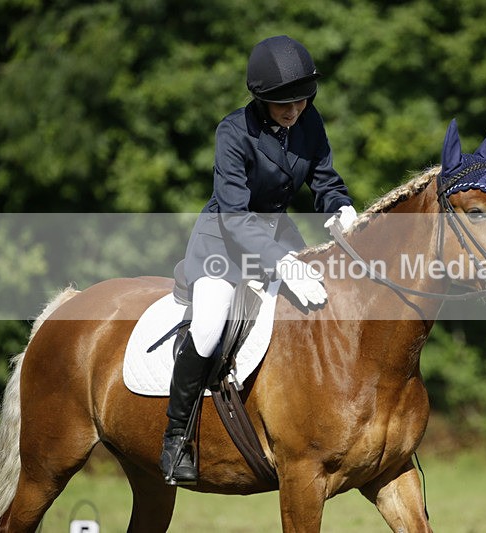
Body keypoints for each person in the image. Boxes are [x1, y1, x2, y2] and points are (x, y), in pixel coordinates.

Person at [160, 35, 357, 485]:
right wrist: (280, 261)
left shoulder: (309, 122)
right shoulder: (233, 132)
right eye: (284, 103)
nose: (294, 110)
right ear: (261, 99)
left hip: (276, 233)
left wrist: (341, 208)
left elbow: (325, 181)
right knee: (210, 325)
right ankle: (176, 438)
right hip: (223, 242)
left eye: (301, 100)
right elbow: (235, 215)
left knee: (321, 306)